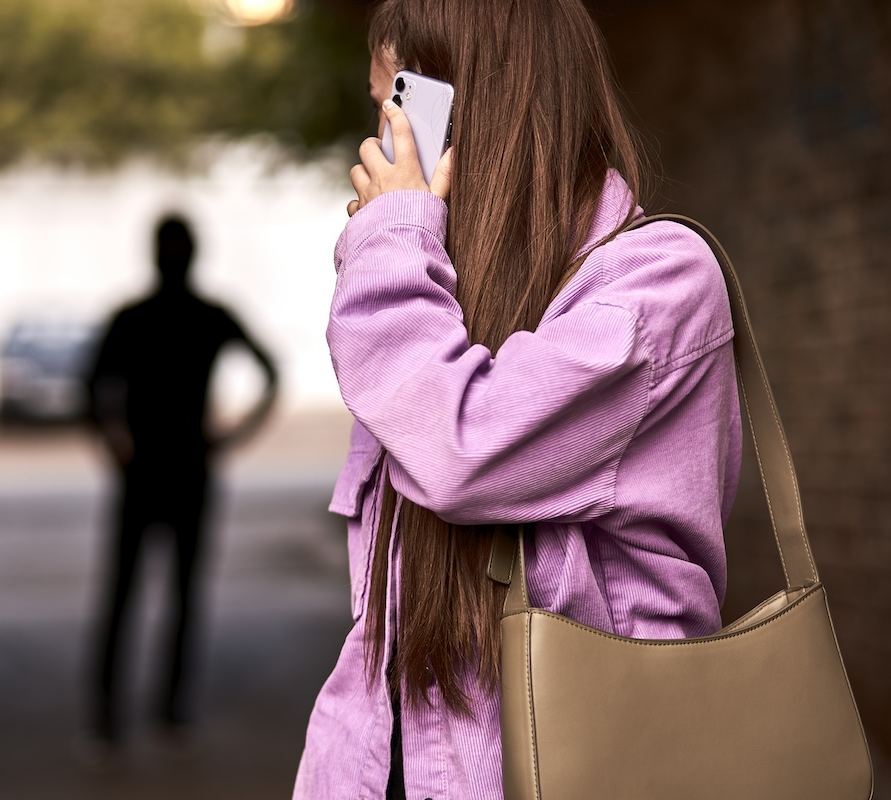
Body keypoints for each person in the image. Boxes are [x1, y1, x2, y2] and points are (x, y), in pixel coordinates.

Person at [294, 1, 741, 798]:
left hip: (594, 764)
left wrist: (395, 238)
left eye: (394, 108)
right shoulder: (441, 305)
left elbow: (460, 448)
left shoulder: (659, 284)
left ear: (468, 105)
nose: (379, 144)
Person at [83, 214, 278, 747]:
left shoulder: (134, 317)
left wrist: (115, 441)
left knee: (130, 593)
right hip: (184, 468)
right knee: (175, 594)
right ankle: (166, 710)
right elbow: (270, 373)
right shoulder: (207, 316)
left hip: (149, 471)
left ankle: (114, 716)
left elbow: (92, 387)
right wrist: (231, 437)